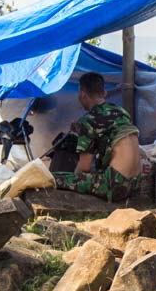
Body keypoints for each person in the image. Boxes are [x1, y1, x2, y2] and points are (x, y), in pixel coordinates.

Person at [49, 72, 141, 201]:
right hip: (135, 184)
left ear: (82, 94)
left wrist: (74, 182)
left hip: (115, 185)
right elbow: (107, 131)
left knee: (53, 178)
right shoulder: (122, 112)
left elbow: (84, 167)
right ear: (104, 93)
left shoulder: (88, 120)